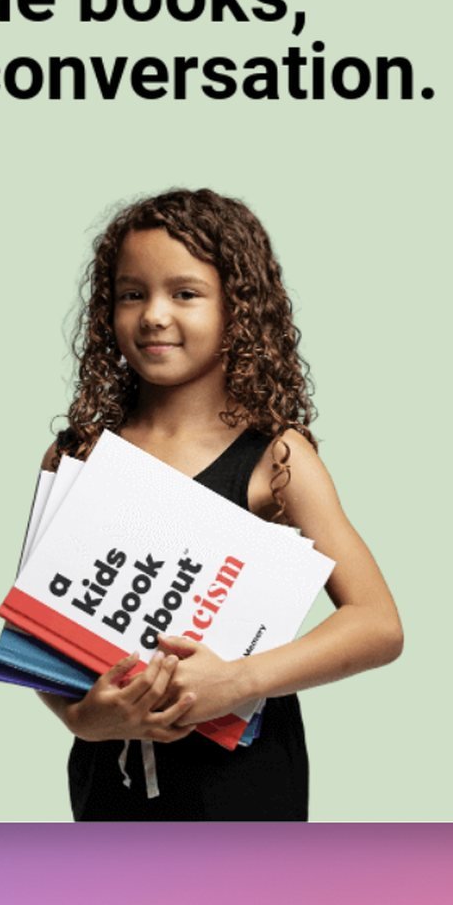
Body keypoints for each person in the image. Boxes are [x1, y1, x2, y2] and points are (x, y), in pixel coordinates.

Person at [37, 188, 403, 820]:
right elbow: (39, 626)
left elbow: (377, 623)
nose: (153, 315)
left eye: (184, 293)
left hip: (244, 786)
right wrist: (82, 718)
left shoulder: (278, 459)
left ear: (239, 309)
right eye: (132, 293)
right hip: (109, 787)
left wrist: (234, 683)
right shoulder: (78, 455)